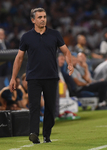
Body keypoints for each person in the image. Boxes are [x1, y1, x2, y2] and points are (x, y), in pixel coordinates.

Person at [9, 8, 73, 144]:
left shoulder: (55, 34)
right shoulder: (26, 37)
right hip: (33, 78)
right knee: (34, 106)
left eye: (44, 16)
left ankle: (46, 135)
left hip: (51, 76)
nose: (43, 19)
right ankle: (33, 133)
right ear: (33, 20)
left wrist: (70, 64)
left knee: (50, 107)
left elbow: (66, 51)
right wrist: (13, 78)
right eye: (39, 17)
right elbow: (19, 58)